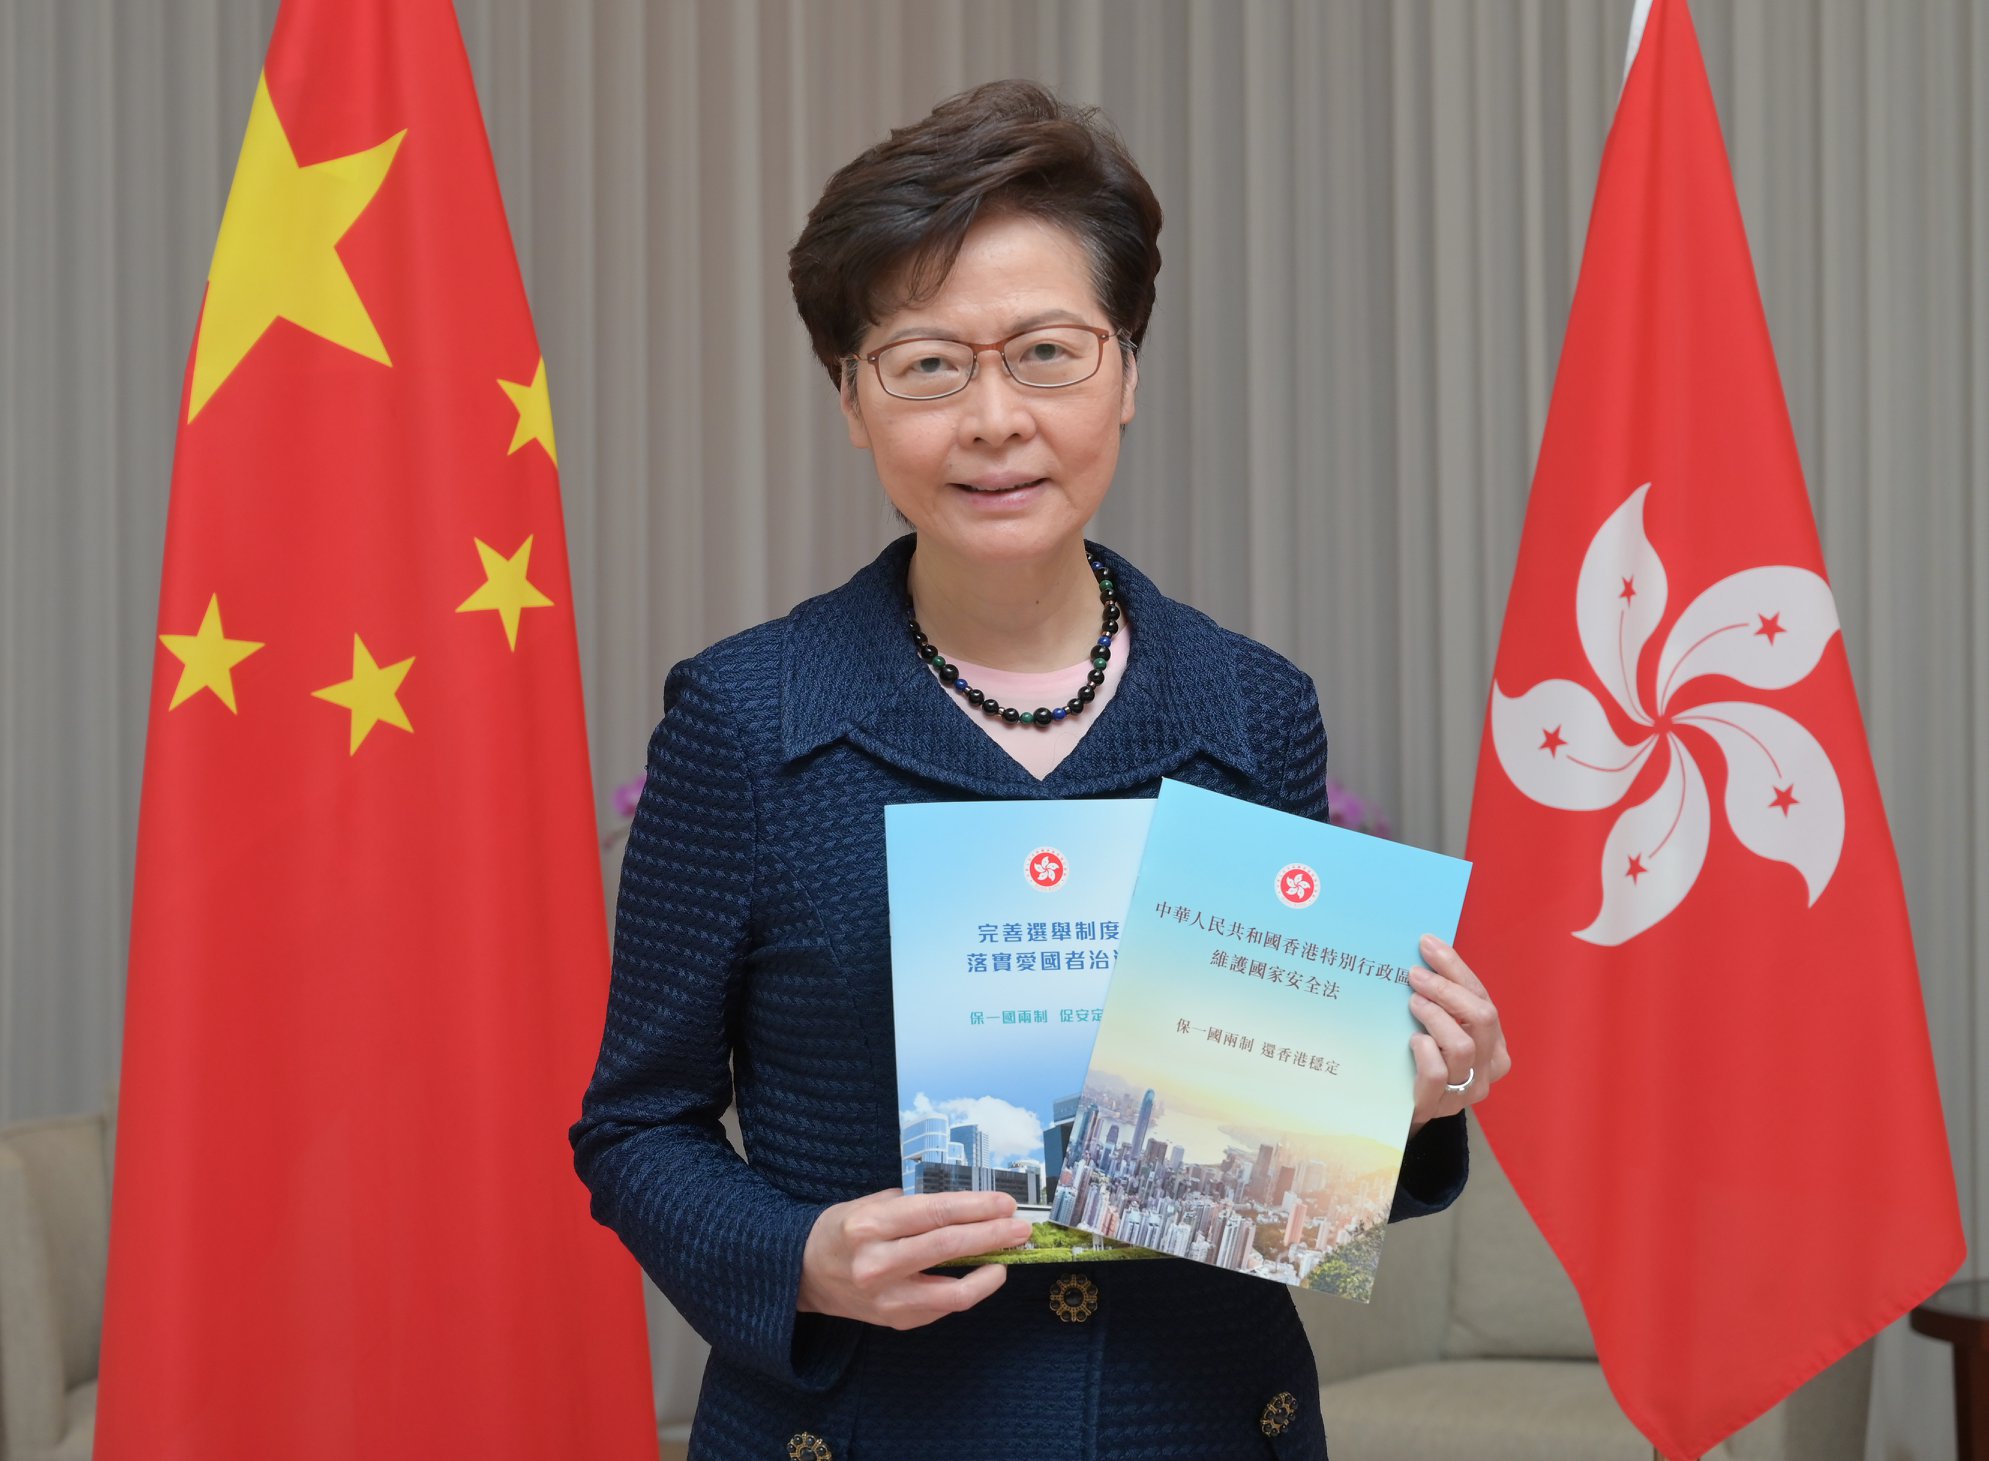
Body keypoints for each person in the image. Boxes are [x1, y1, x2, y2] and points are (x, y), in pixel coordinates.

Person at [570, 78, 1510, 1461]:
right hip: (872, 1428)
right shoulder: (745, 718)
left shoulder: (1254, 709)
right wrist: (801, 1256)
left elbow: (1277, 1151)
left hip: (1197, 1423)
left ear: (1127, 371)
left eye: (1047, 353)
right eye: (927, 364)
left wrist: (1404, 1098)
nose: (994, 417)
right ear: (851, 398)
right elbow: (636, 1125)